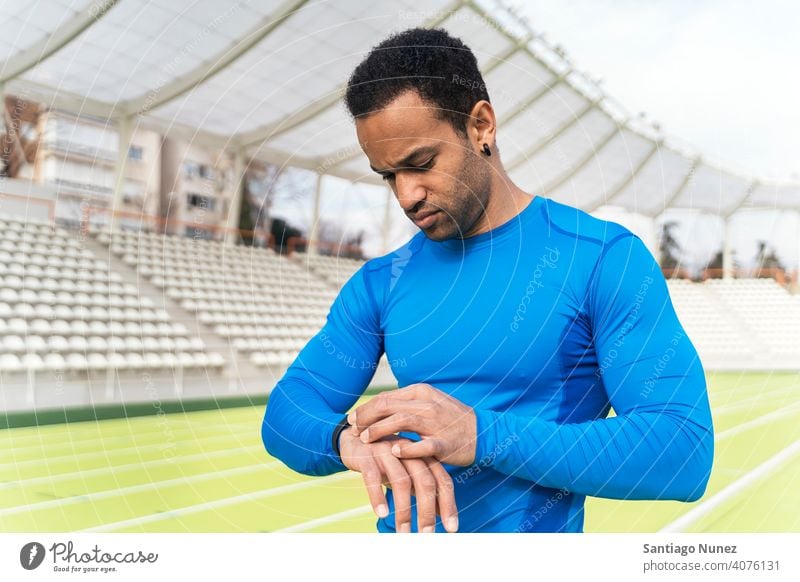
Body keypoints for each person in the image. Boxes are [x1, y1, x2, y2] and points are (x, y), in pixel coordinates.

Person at [261, 27, 714, 533]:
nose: (406, 195)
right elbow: (286, 411)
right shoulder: (380, 283)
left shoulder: (601, 258)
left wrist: (480, 434)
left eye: (421, 164)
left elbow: (682, 451)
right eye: (387, 175)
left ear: (481, 126)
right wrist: (343, 439)